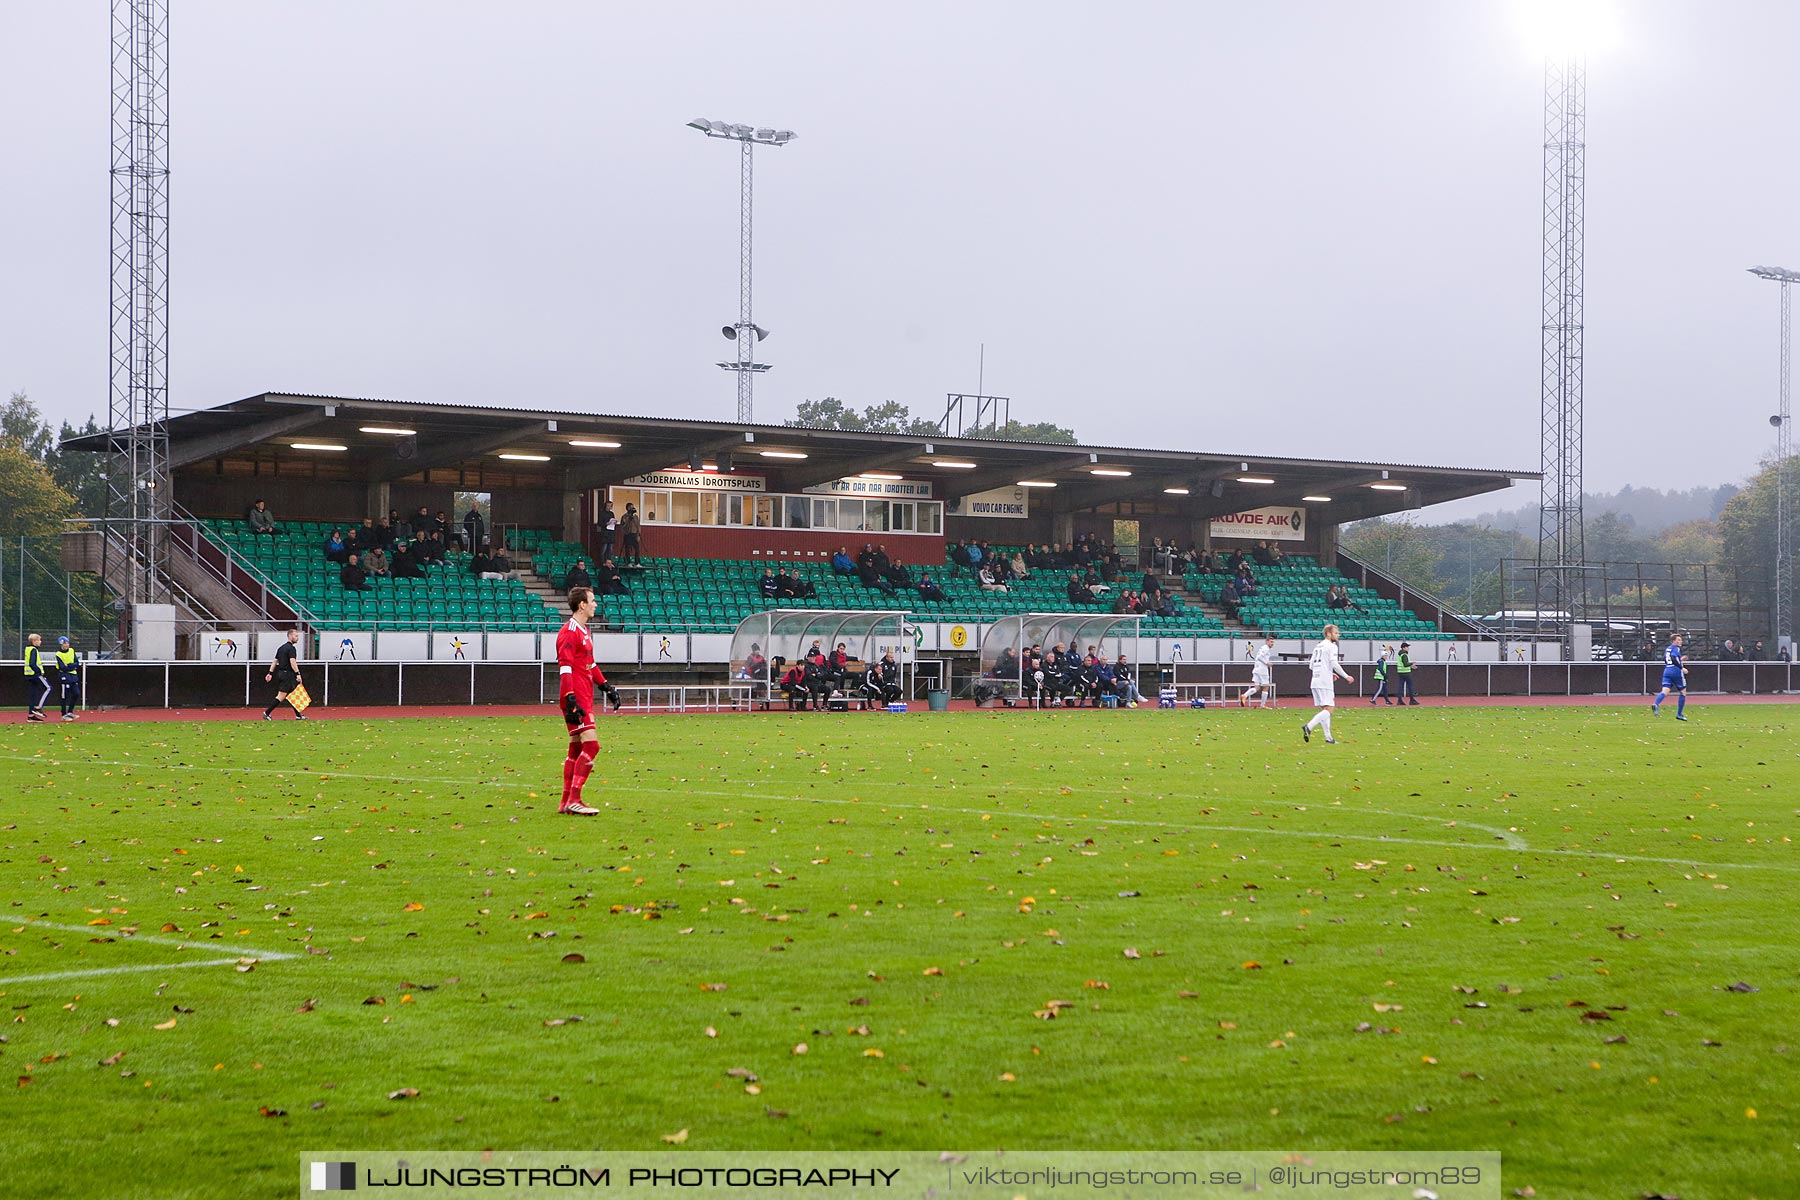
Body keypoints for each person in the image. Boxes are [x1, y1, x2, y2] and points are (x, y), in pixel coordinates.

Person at [555, 586, 623, 816]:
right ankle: (575, 798)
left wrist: (605, 686)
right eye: (592, 600)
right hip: (576, 696)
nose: (595, 604)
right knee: (592, 746)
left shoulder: (584, 631)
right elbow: (565, 668)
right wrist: (570, 698)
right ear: (581, 605)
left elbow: (590, 664)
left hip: (583, 694)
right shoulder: (569, 632)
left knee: (575, 749)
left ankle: (565, 802)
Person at [1301, 623, 1354, 745]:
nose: (1338, 635)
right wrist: (1346, 676)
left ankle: (1328, 738)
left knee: (1325, 710)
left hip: (1315, 680)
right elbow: (1334, 663)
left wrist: (1329, 673)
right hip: (1324, 682)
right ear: (1328, 634)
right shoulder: (1331, 646)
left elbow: (1311, 665)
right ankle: (1309, 726)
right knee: (1329, 709)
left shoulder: (1318, 646)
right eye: (1336, 633)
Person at [261, 629, 307, 721]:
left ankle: (298, 715)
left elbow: (275, 661)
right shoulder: (291, 649)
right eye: (296, 636)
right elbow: (292, 661)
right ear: (290, 636)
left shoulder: (281, 648)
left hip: (281, 673)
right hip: (288, 674)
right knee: (281, 696)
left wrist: (270, 673)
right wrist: (298, 673)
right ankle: (267, 713)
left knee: (294, 694)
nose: (297, 638)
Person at [1652, 632, 1689, 721]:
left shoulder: (1668, 649)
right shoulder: (1676, 649)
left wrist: (1680, 659)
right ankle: (1679, 714)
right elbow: (1673, 658)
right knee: (1683, 692)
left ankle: (1656, 704)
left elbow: (1668, 659)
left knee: (1665, 691)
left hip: (1667, 670)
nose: (1680, 642)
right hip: (1675, 671)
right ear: (1673, 641)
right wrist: (1681, 668)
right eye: (1678, 640)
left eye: (1681, 640)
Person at [22, 633, 52, 722]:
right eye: (39, 640)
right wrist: (38, 671)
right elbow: (32, 663)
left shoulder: (28, 649)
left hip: (29, 675)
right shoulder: (34, 650)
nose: (40, 642)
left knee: (33, 694)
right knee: (48, 688)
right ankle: (38, 707)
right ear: (34, 641)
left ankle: (31, 716)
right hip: (35, 674)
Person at [1241, 635, 1276, 709]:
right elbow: (1260, 657)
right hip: (1262, 670)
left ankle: (1244, 696)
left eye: (1273, 642)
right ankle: (1262, 705)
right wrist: (1267, 663)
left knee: (1257, 687)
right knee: (1266, 686)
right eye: (1271, 642)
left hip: (1257, 669)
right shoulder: (1265, 648)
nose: (1272, 643)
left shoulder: (1264, 648)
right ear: (1267, 642)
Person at [53, 636, 81, 720]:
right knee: (65, 695)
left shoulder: (72, 651)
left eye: (67, 643)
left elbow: (76, 663)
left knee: (76, 693)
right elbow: (62, 667)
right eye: (65, 643)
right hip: (64, 676)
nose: (67, 645)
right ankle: (64, 714)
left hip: (73, 676)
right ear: (61, 644)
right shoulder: (58, 654)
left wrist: (69, 665)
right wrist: (71, 666)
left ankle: (70, 711)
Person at [598, 502, 617, 567]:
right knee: (604, 549)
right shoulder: (602, 513)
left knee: (610, 550)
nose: (609, 507)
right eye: (608, 506)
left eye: (610, 506)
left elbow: (613, 520)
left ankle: (609, 562)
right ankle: (603, 562)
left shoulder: (611, 513)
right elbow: (599, 523)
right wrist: (606, 523)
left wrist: (614, 522)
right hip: (605, 533)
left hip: (611, 533)